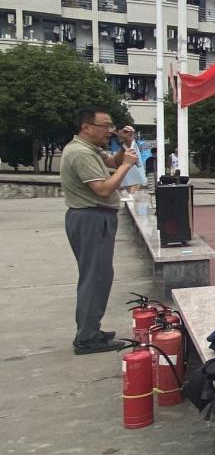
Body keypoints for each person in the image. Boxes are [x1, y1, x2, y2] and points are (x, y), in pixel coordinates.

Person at [60, 106, 139, 354]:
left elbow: (113, 161)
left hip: (93, 217)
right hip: (91, 218)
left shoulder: (90, 149)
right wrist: (127, 166)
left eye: (111, 126)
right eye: (105, 126)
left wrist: (126, 145)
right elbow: (103, 189)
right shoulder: (80, 153)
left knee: (100, 275)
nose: (110, 130)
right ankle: (87, 337)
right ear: (86, 127)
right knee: (95, 277)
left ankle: (91, 329)